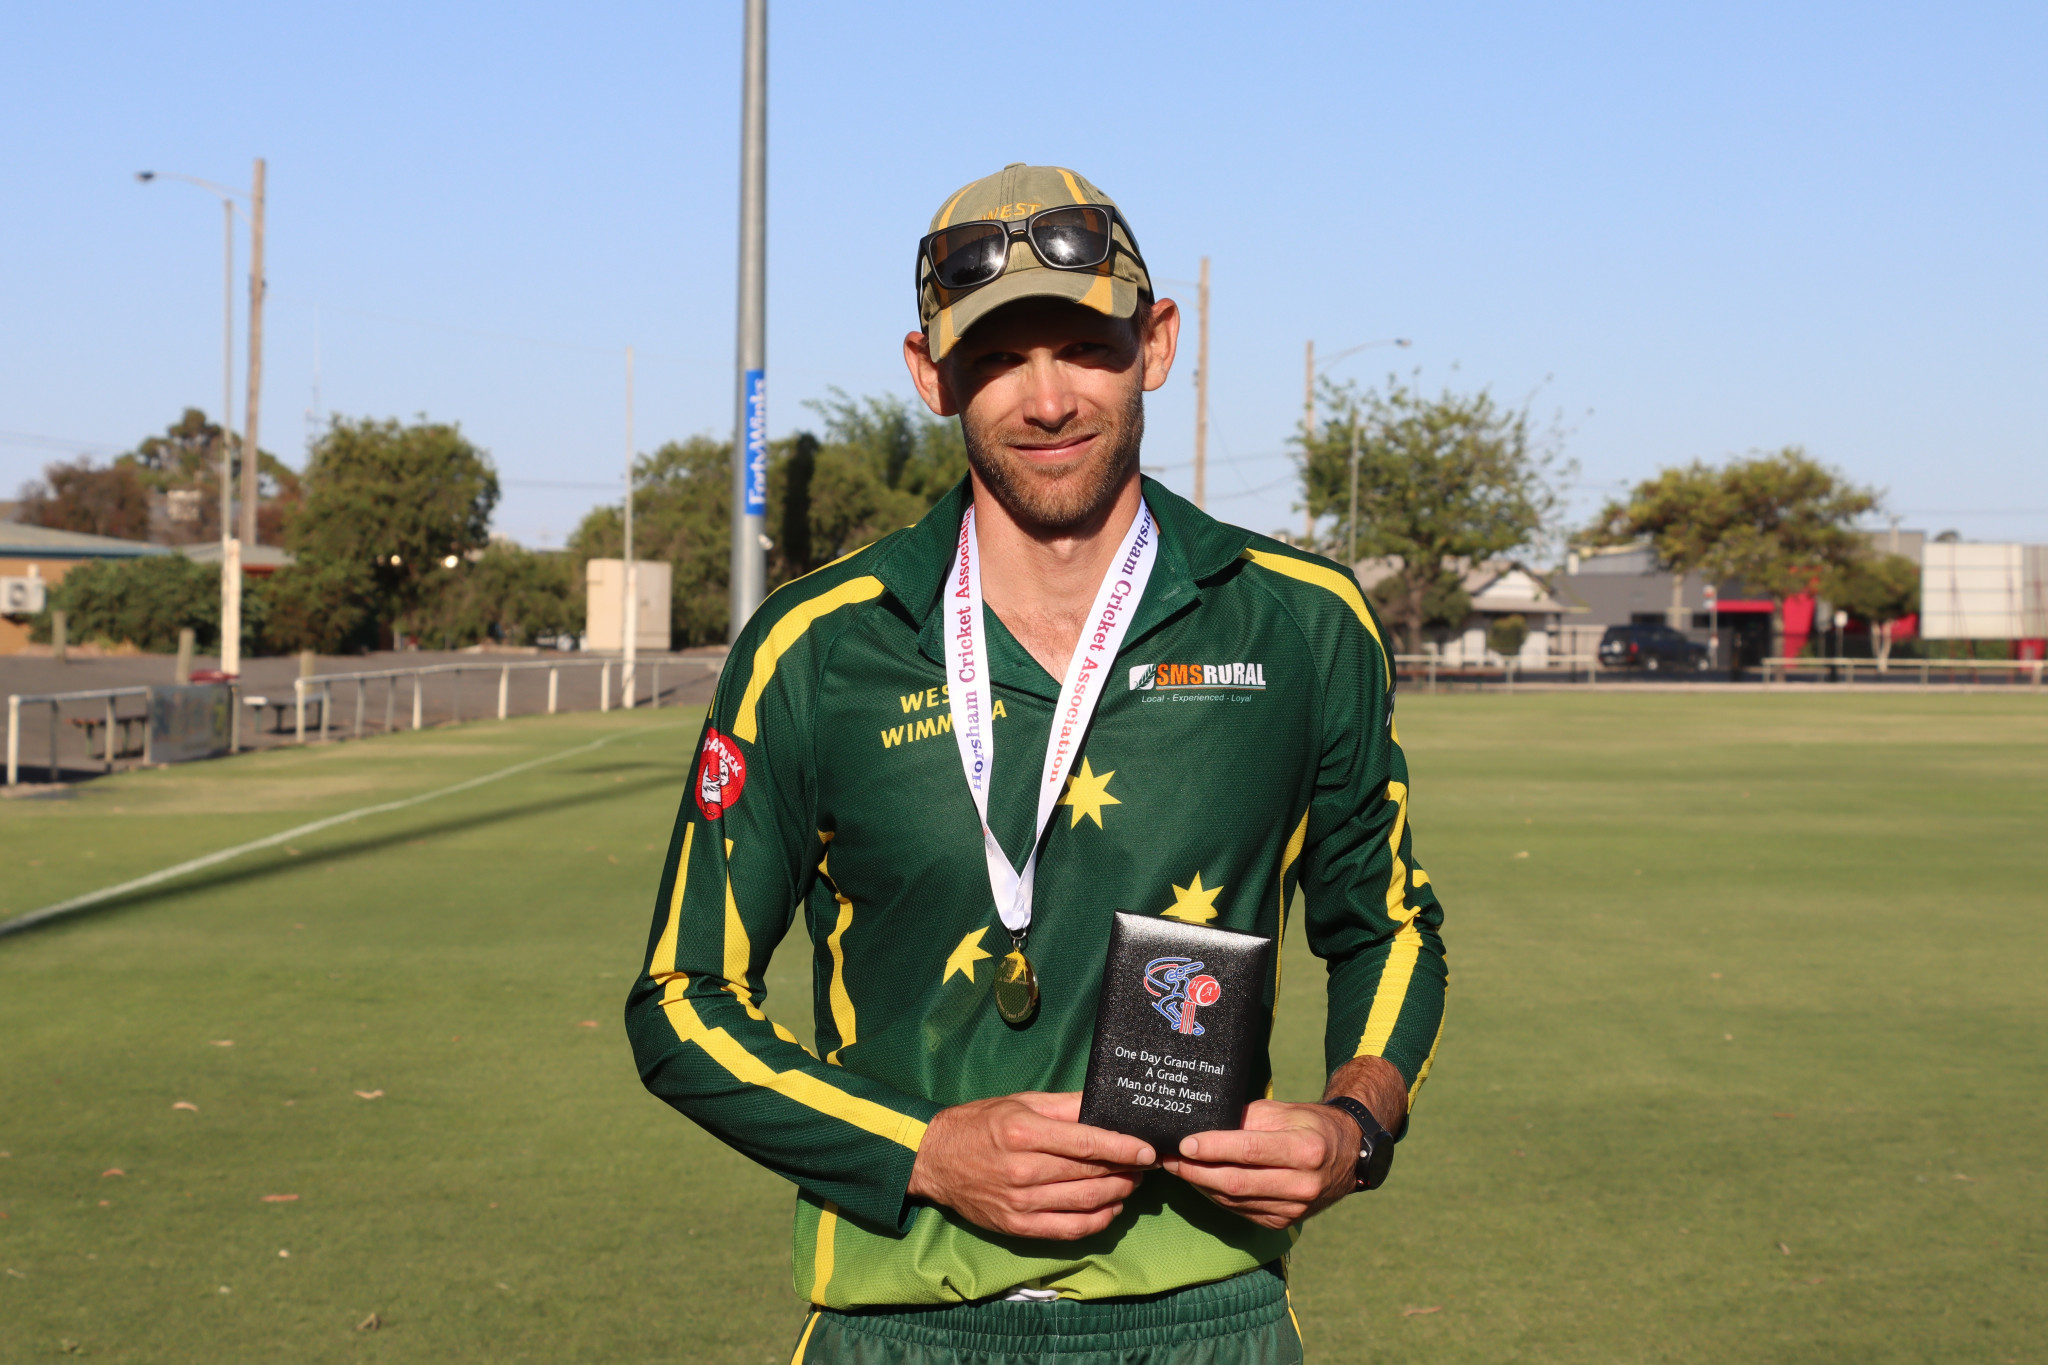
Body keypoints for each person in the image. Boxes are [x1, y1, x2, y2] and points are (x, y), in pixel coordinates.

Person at [625, 164, 1448, 1364]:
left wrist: (1353, 1125)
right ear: (929, 373)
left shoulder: (1300, 621)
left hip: (1205, 1316)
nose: (1048, 398)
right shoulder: (816, 647)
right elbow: (680, 1003)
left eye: (1085, 347)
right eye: (998, 358)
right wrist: (924, 1152)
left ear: (1155, 343)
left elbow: (1387, 923)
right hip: (904, 1321)